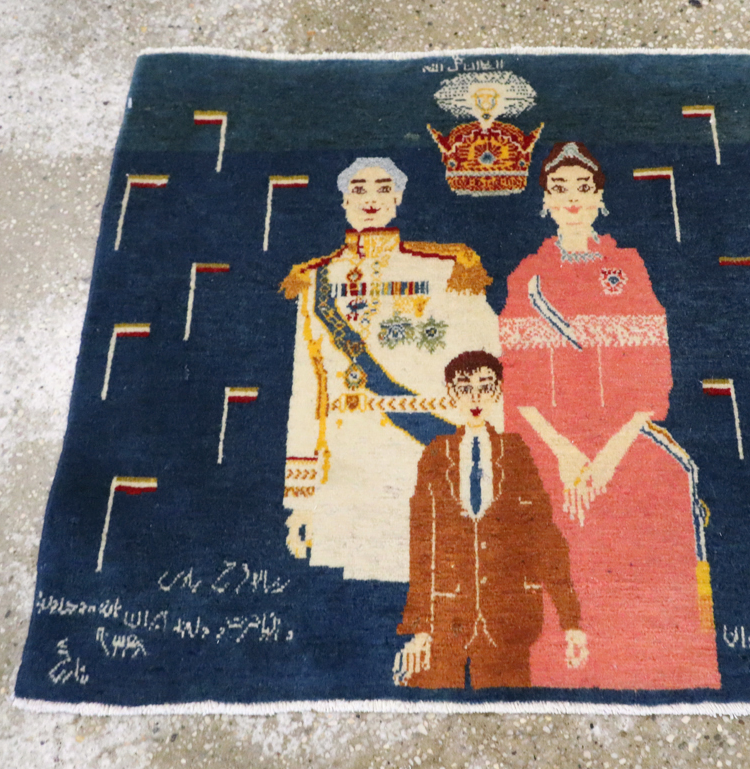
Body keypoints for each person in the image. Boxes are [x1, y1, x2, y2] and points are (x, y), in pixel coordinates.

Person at [498, 142, 721, 690]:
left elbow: (651, 369)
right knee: (535, 504)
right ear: (545, 202)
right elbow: (517, 381)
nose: (572, 199)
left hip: (623, 432)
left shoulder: (627, 267)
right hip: (548, 435)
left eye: (583, 188)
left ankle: (668, 657)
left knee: (668, 479)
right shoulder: (528, 276)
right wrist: (566, 453)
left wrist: (607, 456)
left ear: (600, 197)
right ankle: (549, 662)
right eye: (559, 189)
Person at [279, 158, 500, 583]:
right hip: (346, 463)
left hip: (421, 452)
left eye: (382, 189)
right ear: (343, 200)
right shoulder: (315, 283)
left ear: (398, 198)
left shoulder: (444, 270)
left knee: (438, 579)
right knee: (353, 589)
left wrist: (483, 466)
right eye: (358, 189)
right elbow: (307, 392)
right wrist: (301, 500)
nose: (370, 200)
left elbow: (487, 367)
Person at [393, 351, 587, 688]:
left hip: (508, 619)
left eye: (485, 387)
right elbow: (423, 542)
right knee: (432, 702)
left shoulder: (516, 453)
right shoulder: (436, 454)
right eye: (465, 388)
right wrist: (420, 628)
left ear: (498, 392)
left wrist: (570, 620)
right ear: (451, 394)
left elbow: (544, 536)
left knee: (511, 703)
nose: (476, 397)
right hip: (446, 619)